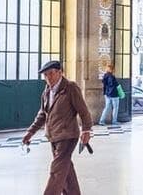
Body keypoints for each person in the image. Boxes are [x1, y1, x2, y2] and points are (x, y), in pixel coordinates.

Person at [22, 60, 93, 195]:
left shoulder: (70, 88)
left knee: (56, 171)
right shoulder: (47, 91)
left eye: (51, 74)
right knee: (66, 171)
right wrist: (30, 132)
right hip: (54, 136)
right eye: (45, 75)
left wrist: (86, 130)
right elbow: (42, 114)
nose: (48, 77)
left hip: (68, 136)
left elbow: (83, 111)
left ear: (60, 73)